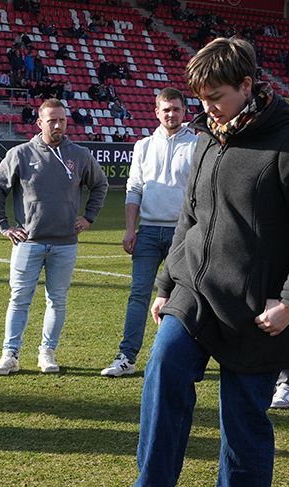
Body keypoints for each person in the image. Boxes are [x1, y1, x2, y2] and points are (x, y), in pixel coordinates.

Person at [99, 37, 289, 487]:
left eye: (217, 96)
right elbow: (190, 219)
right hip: (196, 295)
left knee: (243, 423)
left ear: (248, 87)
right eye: (201, 97)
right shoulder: (208, 139)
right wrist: (166, 287)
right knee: (163, 365)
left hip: (260, 313)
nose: (207, 107)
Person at [0, 98, 108, 375]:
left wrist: (89, 217)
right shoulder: (21, 154)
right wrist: (4, 225)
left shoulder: (79, 154)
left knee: (58, 300)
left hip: (65, 243)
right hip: (28, 242)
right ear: (40, 123)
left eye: (62, 120)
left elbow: (99, 184)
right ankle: (10, 355)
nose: (58, 125)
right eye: (52, 120)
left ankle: (47, 352)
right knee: (19, 300)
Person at [101, 87, 196, 378]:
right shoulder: (142, 146)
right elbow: (134, 189)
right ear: (156, 112)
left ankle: (181, 358)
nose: (171, 114)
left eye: (176, 109)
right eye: (166, 109)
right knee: (138, 295)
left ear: (184, 111)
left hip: (183, 234)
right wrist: (130, 229)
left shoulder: (196, 144)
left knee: (186, 298)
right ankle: (126, 357)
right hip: (148, 231)